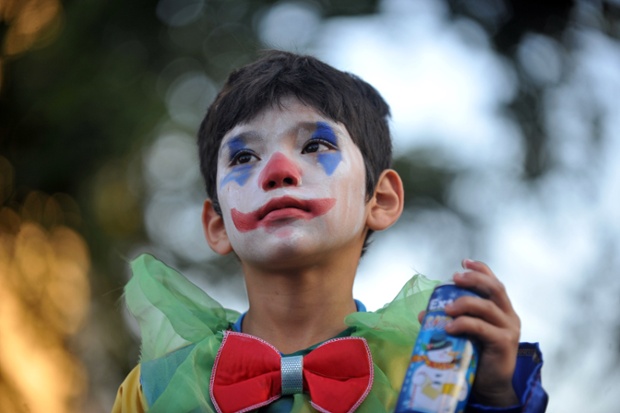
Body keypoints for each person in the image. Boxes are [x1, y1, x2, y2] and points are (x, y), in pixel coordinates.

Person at [112, 50, 548, 413]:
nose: (277, 172)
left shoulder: (435, 375)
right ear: (217, 224)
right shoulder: (153, 390)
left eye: (315, 146)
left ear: (379, 200)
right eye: (244, 157)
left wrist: (494, 397)